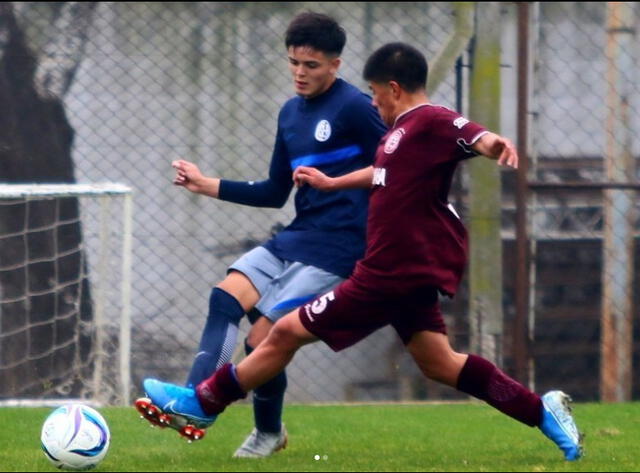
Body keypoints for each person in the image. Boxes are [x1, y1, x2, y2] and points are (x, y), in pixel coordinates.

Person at [141, 42, 583, 461]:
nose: (372, 103)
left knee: (283, 333)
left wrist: (493, 143)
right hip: (407, 276)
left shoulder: (430, 120)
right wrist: (334, 182)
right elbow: (383, 173)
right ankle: (542, 413)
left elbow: (468, 133)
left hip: (387, 274)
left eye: (375, 93)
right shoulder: (400, 134)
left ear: (393, 88)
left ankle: (203, 402)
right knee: (441, 363)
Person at [145, 12, 386, 457]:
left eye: (311, 65)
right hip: (297, 235)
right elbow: (276, 190)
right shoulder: (290, 113)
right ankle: (194, 399)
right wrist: (207, 184)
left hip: (340, 247)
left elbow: (395, 166)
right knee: (224, 297)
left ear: (336, 63)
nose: (299, 73)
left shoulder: (356, 108)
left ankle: (263, 430)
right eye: (293, 62)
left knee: (262, 342)